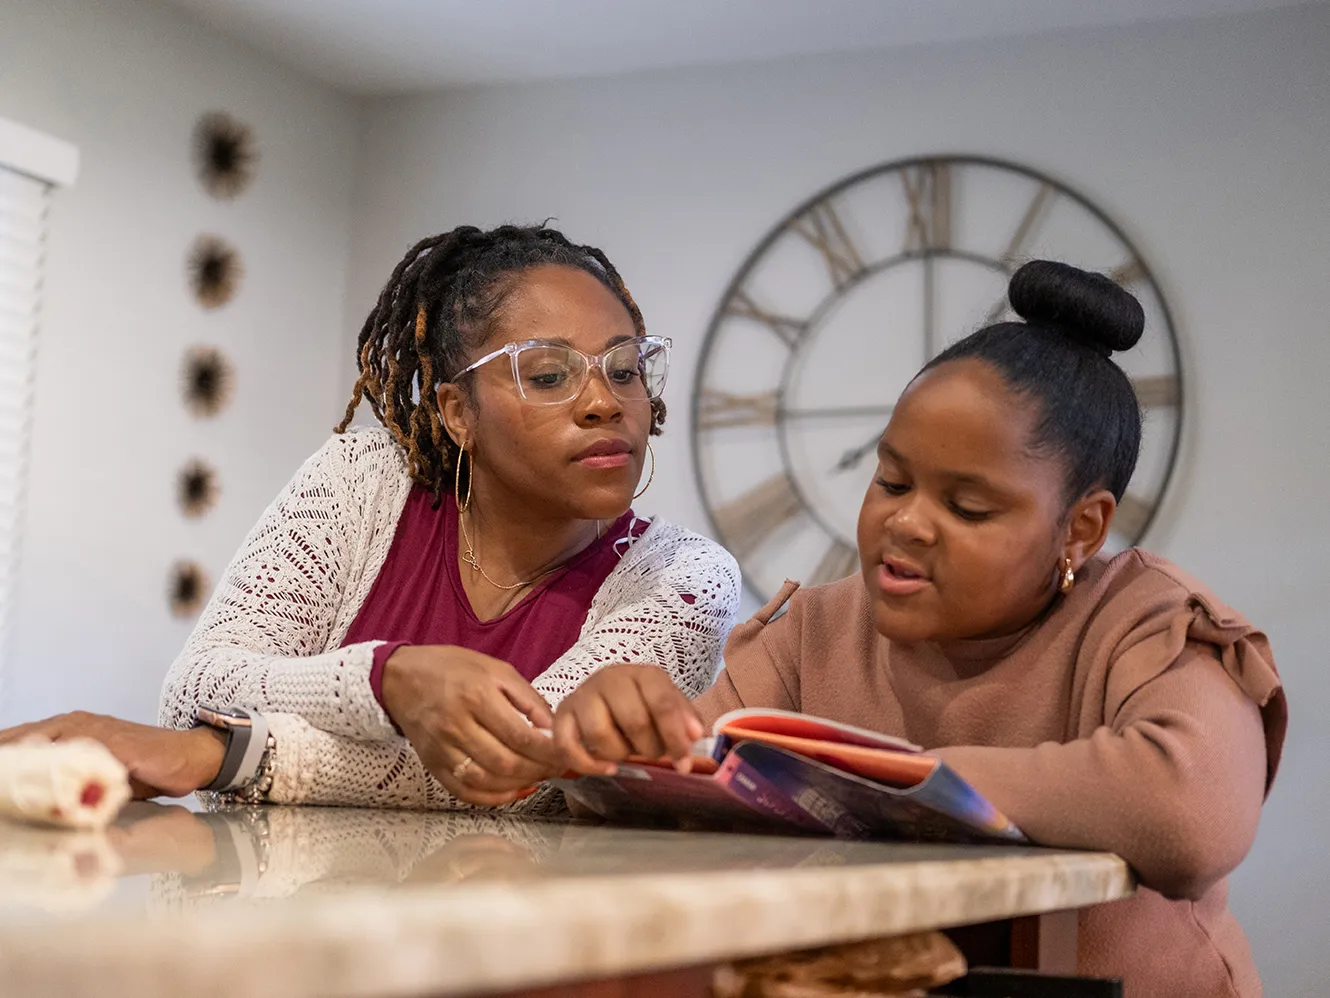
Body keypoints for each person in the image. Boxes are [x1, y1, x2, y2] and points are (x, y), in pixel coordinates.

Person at [554, 261, 1286, 997]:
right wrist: (618, 732)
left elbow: (1191, 819)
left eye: (968, 507)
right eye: (893, 483)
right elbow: (680, 788)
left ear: (1081, 529)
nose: (906, 523)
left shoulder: (1145, 619)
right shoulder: (816, 629)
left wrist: (892, 783)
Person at [0, 224, 741, 811]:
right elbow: (198, 687)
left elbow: (513, 773)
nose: (605, 402)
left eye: (625, 368)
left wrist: (219, 754)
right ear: (457, 412)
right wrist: (388, 680)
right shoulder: (362, 482)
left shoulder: (683, 580)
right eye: (548, 374)